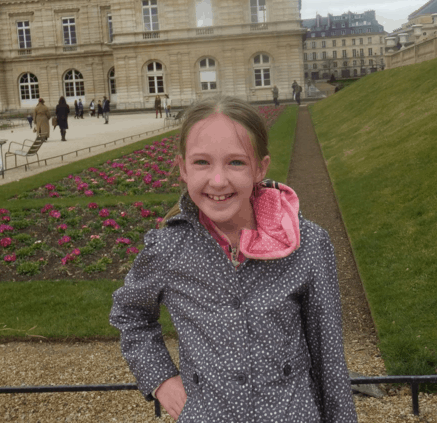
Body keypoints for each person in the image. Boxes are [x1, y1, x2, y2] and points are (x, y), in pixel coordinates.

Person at [110, 96, 357, 423]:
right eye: (202, 163)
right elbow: (130, 314)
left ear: (260, 168)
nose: (218, 181)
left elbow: (330, 360)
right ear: (183, 168)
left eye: (236, 163)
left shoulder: (307, 243)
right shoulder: (169, 249)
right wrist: (162, 380)